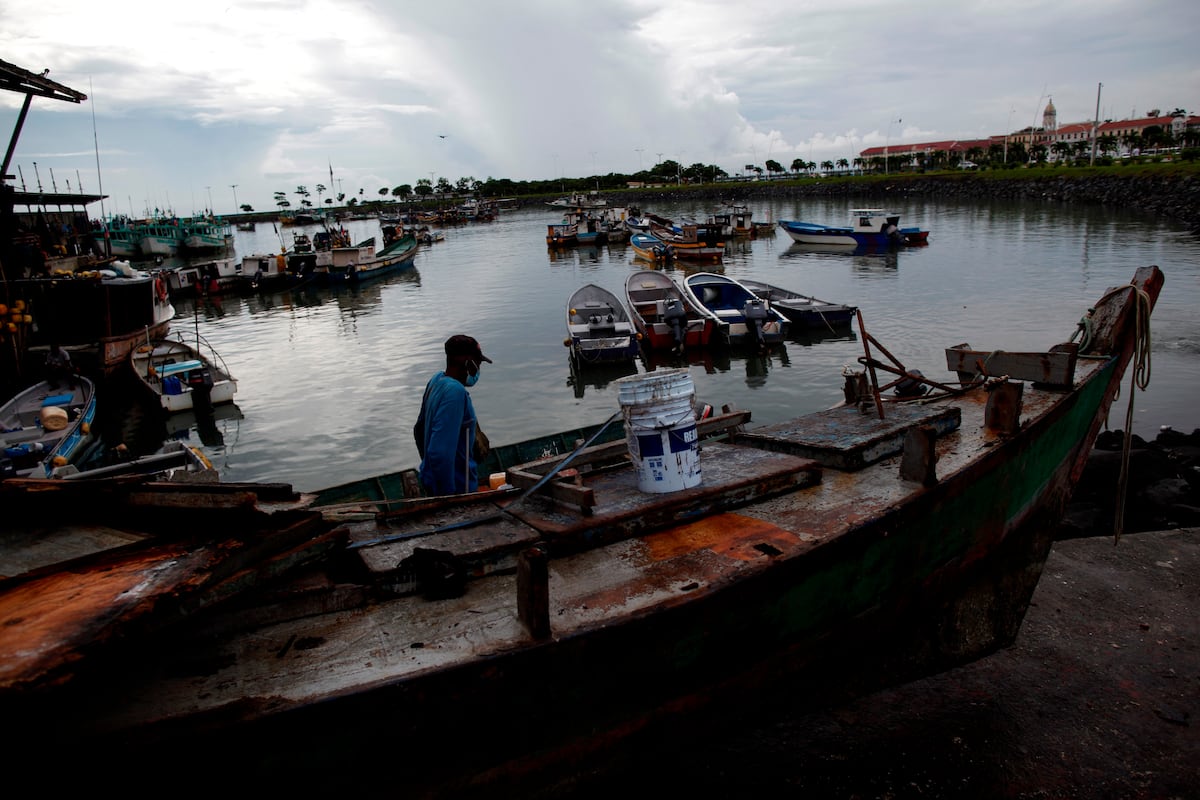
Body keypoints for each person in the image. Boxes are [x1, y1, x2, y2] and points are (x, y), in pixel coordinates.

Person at [415, 334, 493, 495]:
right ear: (467, 362)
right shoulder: (455, 393)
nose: (478, 367)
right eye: (477, 362)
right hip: (459, 489)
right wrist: (449, 498)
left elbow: (418, 430)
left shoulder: (436, 380)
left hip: (433, 480)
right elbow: (440, 453)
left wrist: (429, 472)